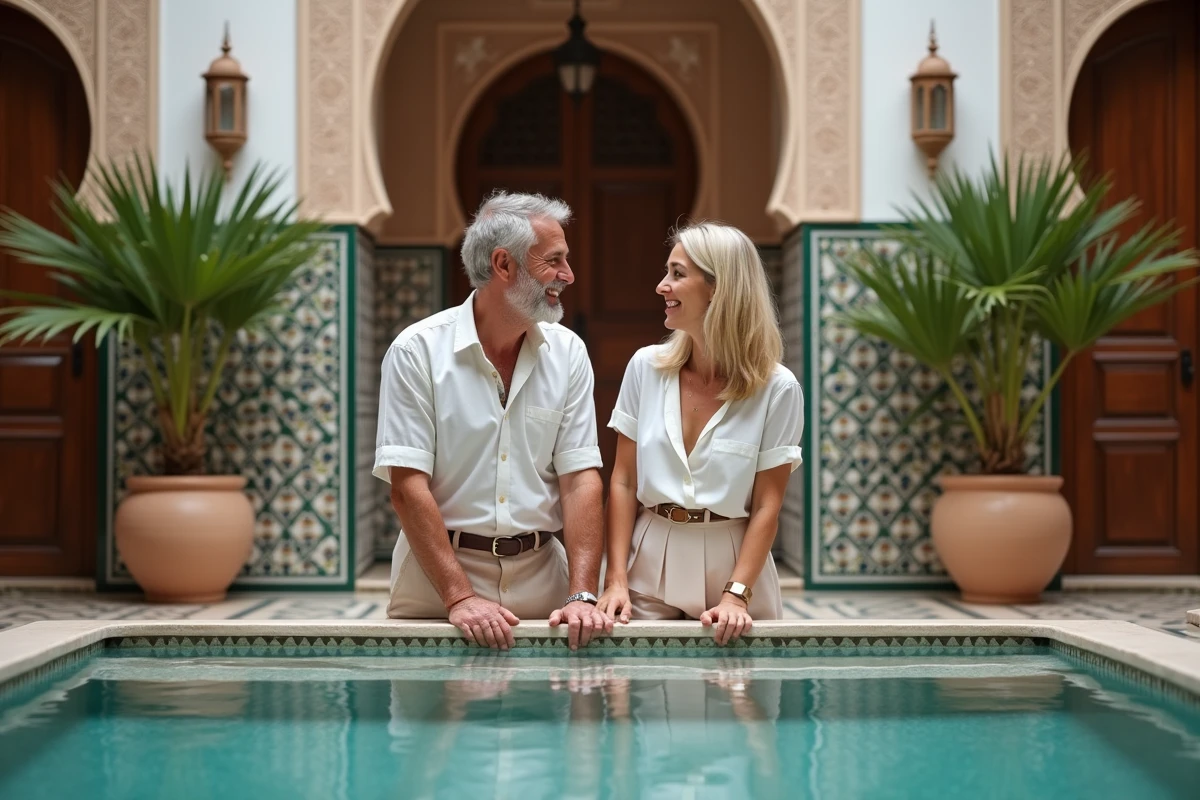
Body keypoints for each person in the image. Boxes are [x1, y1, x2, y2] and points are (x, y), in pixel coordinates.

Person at [373, 191, 612, 651]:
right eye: (554, 261)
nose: (568, 275)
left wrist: (582, 594)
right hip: (434, 584)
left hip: (545, 583)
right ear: (504, 265)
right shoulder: (416, 351)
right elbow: (407, 488)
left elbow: (581, 480)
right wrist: (459, 596)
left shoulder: (568, 353)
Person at [597, 221, 803, 644]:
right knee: (640, 696)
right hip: (648, 562)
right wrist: (615, 578)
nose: (661, 286)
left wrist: (737, 596)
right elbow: (623, 480)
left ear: (718, 288)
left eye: (677, 274)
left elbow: (768, 505)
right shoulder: (645, 368)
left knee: (741, 700)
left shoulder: (777, 388)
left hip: (736, 568)